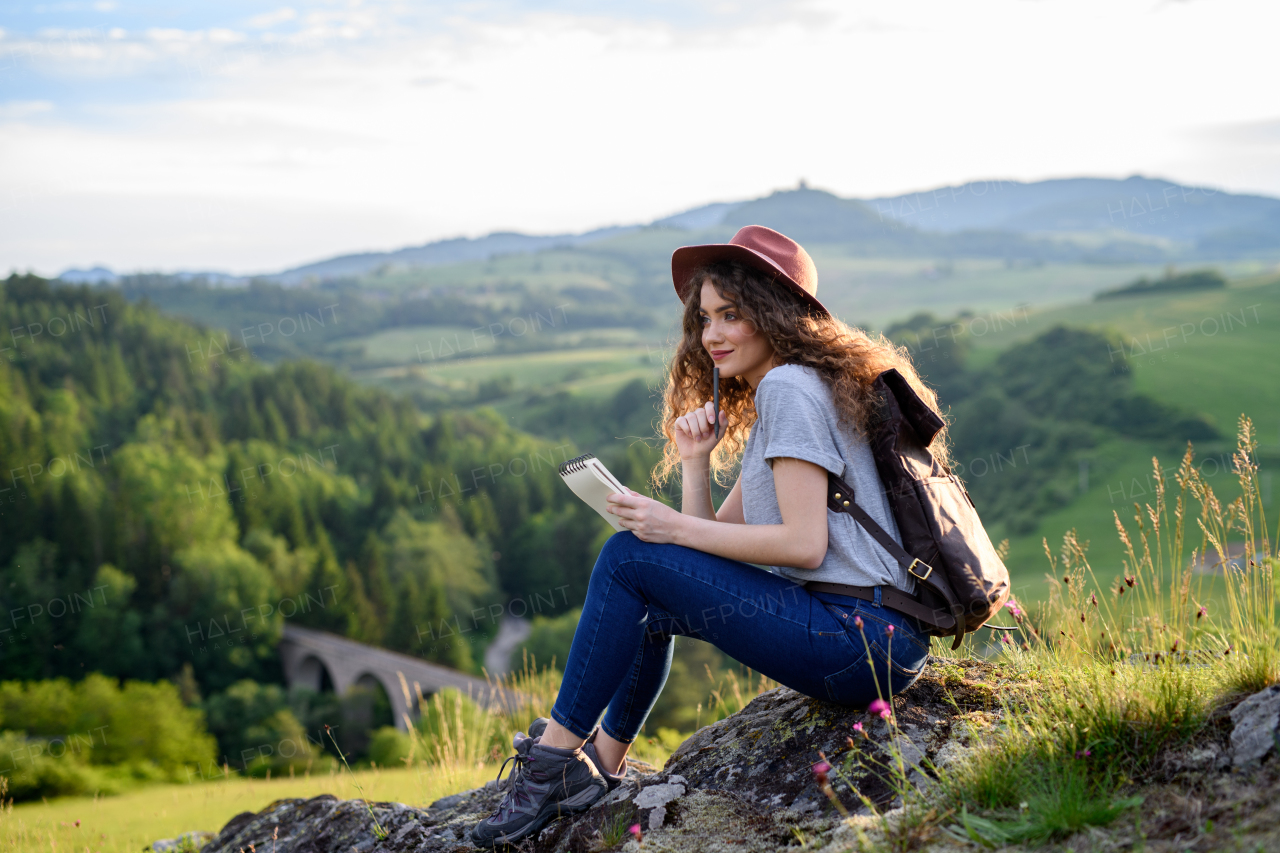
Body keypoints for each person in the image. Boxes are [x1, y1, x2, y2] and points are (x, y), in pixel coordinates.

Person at [470, 224, 948, 848]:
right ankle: (601, 768)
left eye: (731, 315)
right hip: (868, 637)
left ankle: (556, 761)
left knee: (625, 560)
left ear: (776, 315)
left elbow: (802, 545)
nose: (711, 335)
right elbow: (705, 547)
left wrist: (666, 527)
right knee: (648, 584)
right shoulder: (797, 387)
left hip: (858, 641)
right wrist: (694, 461)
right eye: (704, 318)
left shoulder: (790, 390)